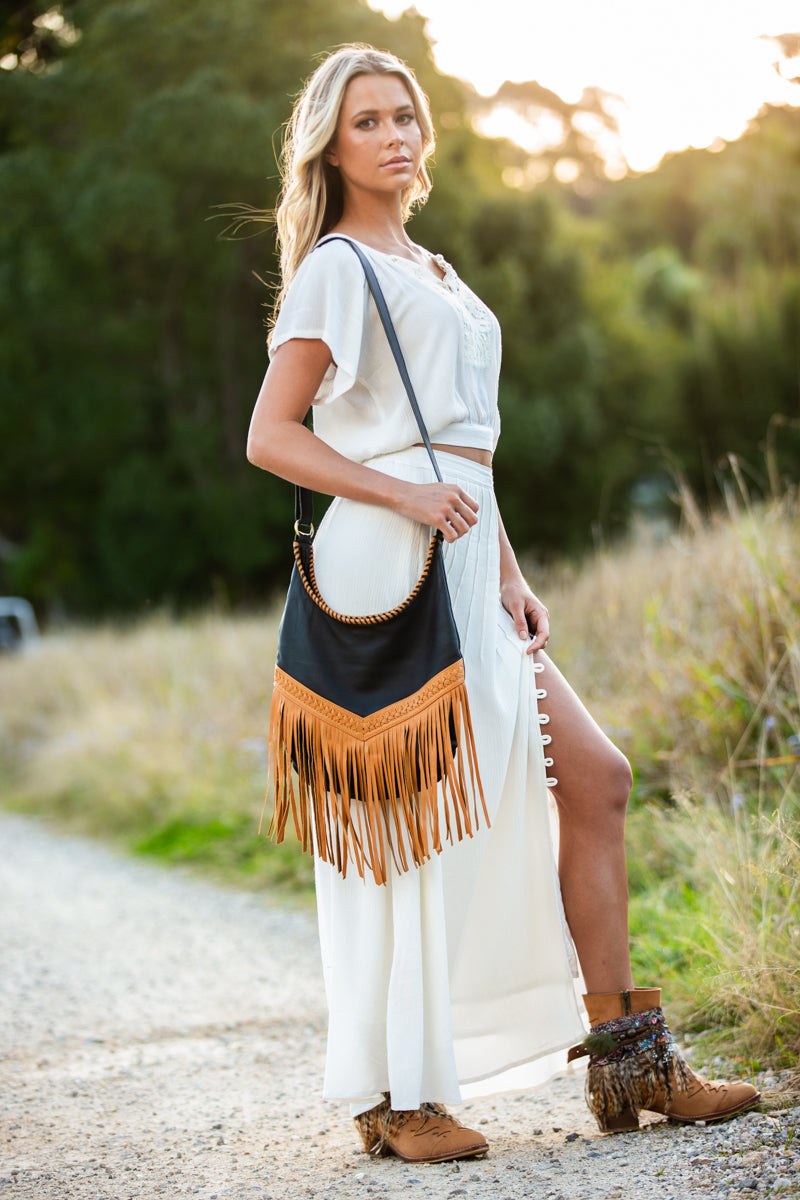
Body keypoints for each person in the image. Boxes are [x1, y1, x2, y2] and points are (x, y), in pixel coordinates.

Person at [246, 44, 759, 1163]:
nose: (394, 136)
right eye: (368, 122)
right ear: (330, 145)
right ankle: (399, 1097)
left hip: (468, 558)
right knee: (412, 832)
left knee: (597, 778)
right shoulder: (339, 266)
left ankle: (631, 1067)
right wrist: (402, 493)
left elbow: (463, 449)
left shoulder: (432, 266)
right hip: (389, 563)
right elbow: (269, 434)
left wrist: (513, 572)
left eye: (404, 117)